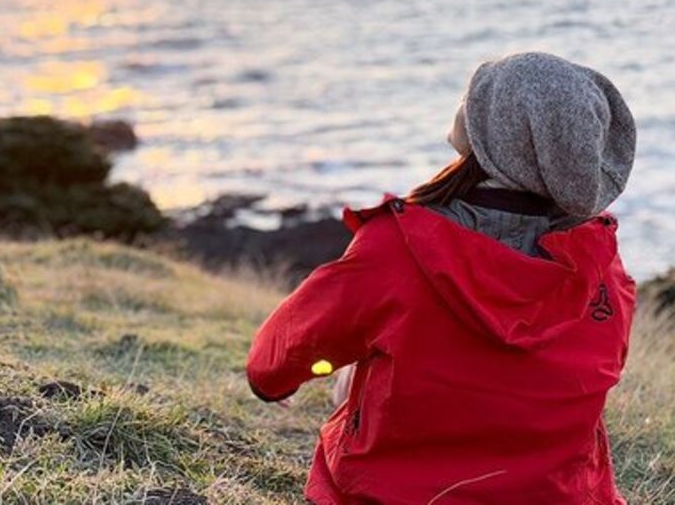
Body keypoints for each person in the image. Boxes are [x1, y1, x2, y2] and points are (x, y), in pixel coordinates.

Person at [246, 52, 637, 504]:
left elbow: (272, 360)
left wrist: (274, 384)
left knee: (363, 356)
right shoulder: (601, 260)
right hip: (556, 495)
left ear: (495, 136)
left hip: (393, 495)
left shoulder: (398, 246)